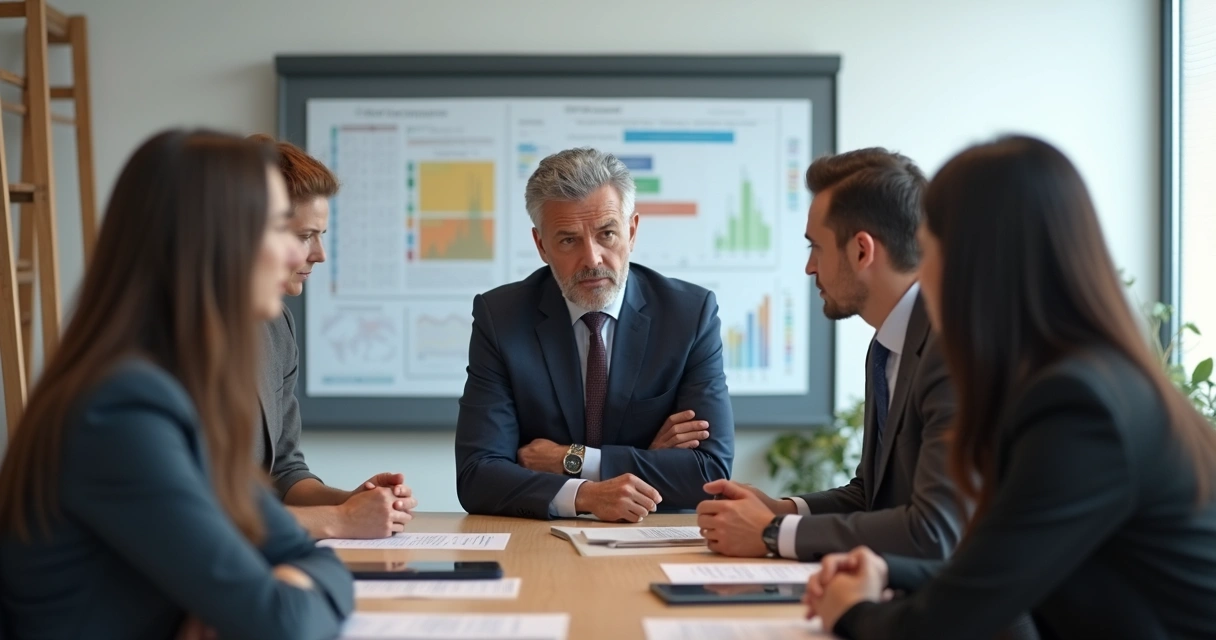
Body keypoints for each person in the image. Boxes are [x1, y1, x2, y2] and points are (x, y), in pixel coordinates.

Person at [807, 136, 1216, 639]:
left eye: (929, 248)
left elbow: (959, 614)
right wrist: (888, 571)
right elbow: (1001, 570)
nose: (922, 272)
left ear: (973, 262)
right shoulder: (1091, 378)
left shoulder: (1078, 407)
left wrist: (850, 612)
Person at [0, 130, 354, 639]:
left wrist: (288, 579)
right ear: (212, 241)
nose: (300, 257)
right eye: (282, 229)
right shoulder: (119, 409)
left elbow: (300, 556)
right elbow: (281, 624)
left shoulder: (177, 392)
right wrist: (283, 592)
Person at [695, 148, 965, 562]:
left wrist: (771, 533)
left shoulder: (950, 351)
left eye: (815, 247)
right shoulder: (889, 344)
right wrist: (780, 509)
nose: (809, 268)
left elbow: (933, 531)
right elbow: (871, 496)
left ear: (861, 251)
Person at [455, 147, 735, 521]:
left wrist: (572, 460)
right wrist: (590, 493)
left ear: (632, 231)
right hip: (538, 545)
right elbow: (477, 476)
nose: (592, 259)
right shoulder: (501, 318)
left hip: (651, 537)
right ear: (541, 246)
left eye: (607, 234)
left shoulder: (688, 316)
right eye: (569, 240)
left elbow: (709, 474)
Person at [247, 134, 415, 540]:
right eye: (305, 236)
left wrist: (352, 503)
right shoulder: (170, 344)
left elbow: (284, 474)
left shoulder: (275, 325)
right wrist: (338, 521)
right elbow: (200, 515)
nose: (319, 254)